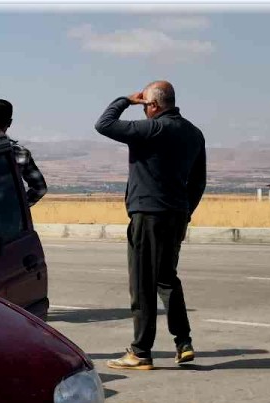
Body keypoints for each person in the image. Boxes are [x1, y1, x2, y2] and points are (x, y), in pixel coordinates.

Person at [95, 80, 206, 370]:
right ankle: (183, 342)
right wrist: (185, 211)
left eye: (145, 105)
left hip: (148, 214)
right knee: (167, 278)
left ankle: (140, 351)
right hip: (176, 214)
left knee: (142, 282)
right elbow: (198, 181)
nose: (143, 110)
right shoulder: (194, 133)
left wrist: (125, 100)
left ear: (153, 105)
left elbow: (104, 124)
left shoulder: (151, 129)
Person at [0, 99, 48, 206]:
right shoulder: (21, 153)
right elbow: (40, 188)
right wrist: (18, 207)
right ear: (10, 123)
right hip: (7, 215)